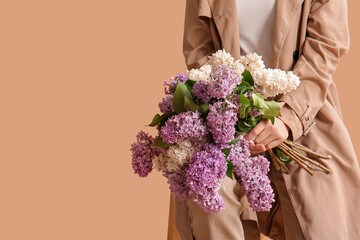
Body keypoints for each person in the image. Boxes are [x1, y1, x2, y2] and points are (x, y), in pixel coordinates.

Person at [169, 0, 360, 239]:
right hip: (229, 120)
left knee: (319, 219)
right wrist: (232, 114)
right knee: (211, 196)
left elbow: (326, 50)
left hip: (305, 112)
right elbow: (200, 54)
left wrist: (287, 118)